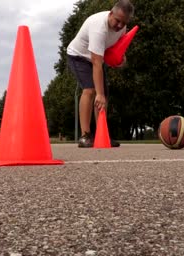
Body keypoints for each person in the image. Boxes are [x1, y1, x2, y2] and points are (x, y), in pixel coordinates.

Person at [67, 0, 134, 148]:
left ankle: (101, 135)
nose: (120, 26)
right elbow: (97, 62)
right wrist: (99, 93)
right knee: (91, 91)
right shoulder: (99, 27)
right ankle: (85, 136)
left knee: (105, 95)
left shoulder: (121, 28)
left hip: (97, 57)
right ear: (111, 13)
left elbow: (114, 49)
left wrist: (121, 58)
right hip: (78, 56)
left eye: (124, 22)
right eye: (117, 20)